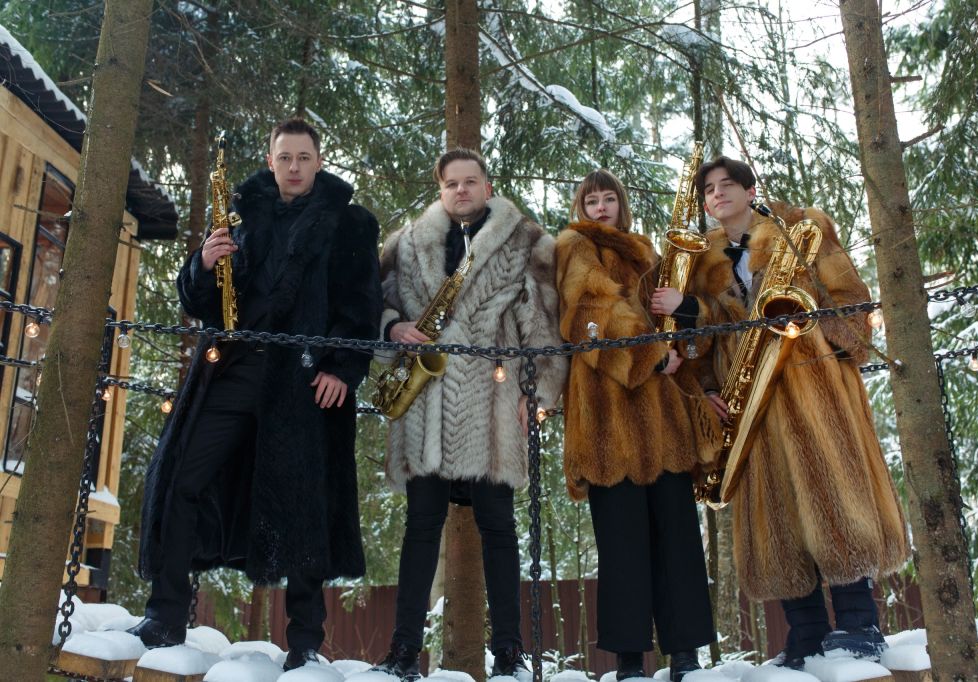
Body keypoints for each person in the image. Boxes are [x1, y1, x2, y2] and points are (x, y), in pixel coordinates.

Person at [132, 118, 383, 671]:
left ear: (319, 161)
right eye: (284, 157)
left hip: (304, 380)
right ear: (271, 161)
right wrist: (203, 264)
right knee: (182, 480)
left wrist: (343, 368)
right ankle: (166, 615)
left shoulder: (351, 223)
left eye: (303, 157)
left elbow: (362, 305)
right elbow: (203, 303)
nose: (294, 166)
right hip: (235, 370)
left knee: (306, 507)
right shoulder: (242, 218)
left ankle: (305, 643)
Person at [683, 156, 910, 669]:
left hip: (813, 389)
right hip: (751, 402)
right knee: (776, 512)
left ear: (750, 190)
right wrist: (706, 388)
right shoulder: (700, 262)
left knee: (836, 497)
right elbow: (699, 342)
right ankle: (805, 632)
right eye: (709, 190)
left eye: (727, 185)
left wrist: (815, 331)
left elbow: (852, 298)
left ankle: (860, 625)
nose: (717, 195)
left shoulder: (803, 227)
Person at [371, 148, 566, 681]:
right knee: (420, 528)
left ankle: (509, 654)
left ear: (487, 185)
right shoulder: (405, 244)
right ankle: (403, 653)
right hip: (425, 402)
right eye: (451, 183)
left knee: (499, 528)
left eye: (470, 181)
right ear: (440, 189)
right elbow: (376, 303)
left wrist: (538, 393)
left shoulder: (526, 240)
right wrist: (392, 328)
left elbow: (542, 323)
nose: (461, 190)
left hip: (494, 402)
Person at [556, 169, 722, 682]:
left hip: (665, 417)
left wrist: (683, 319)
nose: (601, 208)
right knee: (622, 544)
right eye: (591, 200)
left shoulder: (647, 254)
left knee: (678, 539)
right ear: (581, 207)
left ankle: (686, 655)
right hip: (607, 416)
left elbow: (679, 328)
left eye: (609, 199)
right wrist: (652, 355)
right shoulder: (574, 247)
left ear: (621, 205)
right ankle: (629, 661)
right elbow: (590, 313)